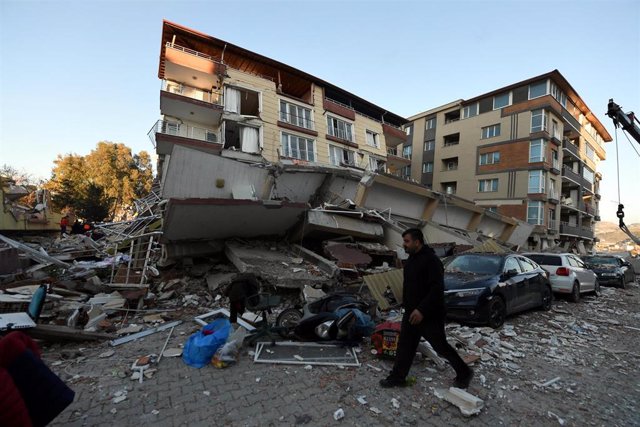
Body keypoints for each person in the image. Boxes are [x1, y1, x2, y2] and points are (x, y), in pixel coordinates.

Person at [380, 228, 473, 389]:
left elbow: (436, 289)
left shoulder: (432, 261)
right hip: (411, 313)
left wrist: (421, 310)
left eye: (407, 241)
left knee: (440, 346)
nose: (404, 245)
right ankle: (397, 377)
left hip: (430, 314)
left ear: (418, 241)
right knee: (405, 345)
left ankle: (464, 372)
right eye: (404, 241)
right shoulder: (411, 260)